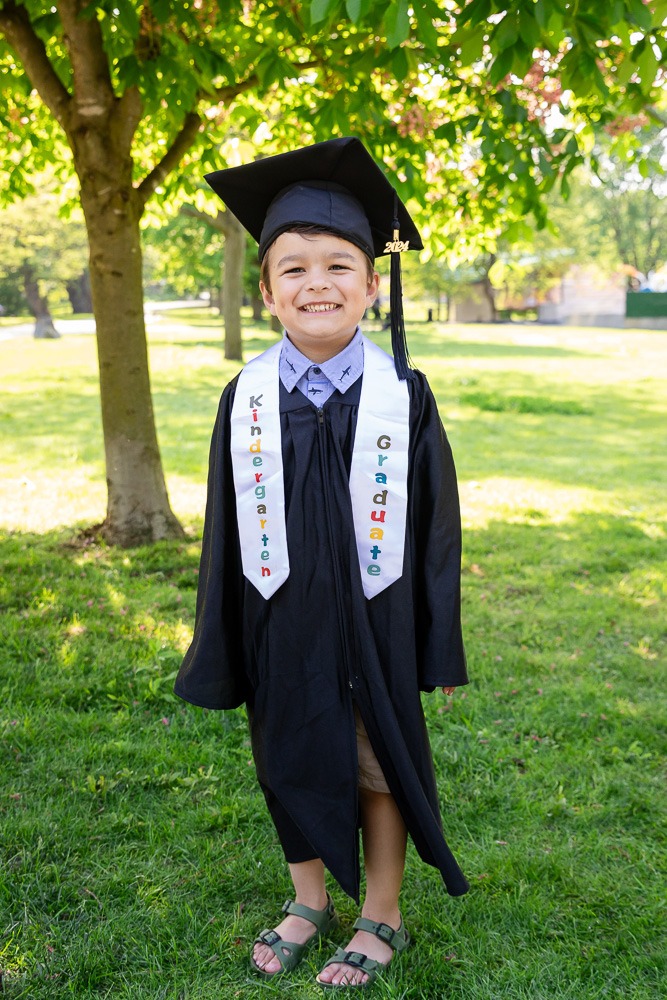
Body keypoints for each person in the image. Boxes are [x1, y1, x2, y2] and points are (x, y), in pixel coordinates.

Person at [174, 136, 469, 989]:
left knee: (379, 759)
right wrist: (222, 636)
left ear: (372, 285)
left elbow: (436, 529)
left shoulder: (402, 395)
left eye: (339, 265)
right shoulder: (245, 397)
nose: (317, 283)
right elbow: (225, 530)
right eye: (293, 269)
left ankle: (382, 910)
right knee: (288, 751)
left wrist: (437, 644)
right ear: (266, 293)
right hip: (281, 615)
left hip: (379, 619)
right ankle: (308, 899)